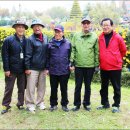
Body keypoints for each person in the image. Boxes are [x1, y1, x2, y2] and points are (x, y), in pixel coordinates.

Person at [97, 18, 127, 113]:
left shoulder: (118, 37)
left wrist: (116, 59)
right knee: (103, 87)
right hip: (104, 67)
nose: (105, 27)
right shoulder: (100, 37)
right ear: (102, 26)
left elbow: (123, 51)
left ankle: (116, 105)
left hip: (115, 67)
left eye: (107, 25)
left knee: (116, 87)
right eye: (104, 25)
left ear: (112, 26)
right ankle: (105, 104)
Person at [70, 16, 99, 111]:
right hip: (78, 65)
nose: (86, 25)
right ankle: (76, 104)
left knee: (88, 86)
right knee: (78, 86)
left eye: (87, 23)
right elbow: (72, 49)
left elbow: (96, 51)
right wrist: (72, 62)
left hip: (90, 66)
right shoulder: (76, 36)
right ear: (82, 25)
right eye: (84, 23)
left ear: (90, 24)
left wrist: (96, 65)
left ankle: (86, 104)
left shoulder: (94, 36)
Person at [1, 20, 28, 114]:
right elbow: (5, 55)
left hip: (22, 70)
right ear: (15, 28)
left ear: (24, 29)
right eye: (18, 27)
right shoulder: (8, 40)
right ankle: (6, 105)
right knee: (9, 88)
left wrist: (27, 68)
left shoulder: (26, 40)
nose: (20, 29)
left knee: (21, 88)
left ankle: (20, 104)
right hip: (11, 70)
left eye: (22, 27)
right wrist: (6, 69)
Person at [25, 19, 48, 113]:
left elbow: (47, 53)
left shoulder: (46, 37)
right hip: (33, 68)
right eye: (35, 26)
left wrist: (47, 67)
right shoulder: (30, 39)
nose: (37, 27)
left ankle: (40, 102)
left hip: (43, 68)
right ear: (33, 28)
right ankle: (30, 104)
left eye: (39, 26)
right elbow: (27, 54)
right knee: (30, 87)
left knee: (42, 87)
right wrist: (27, 67)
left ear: (42, 27)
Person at [46, 25, 71, 112]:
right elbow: (47, 57)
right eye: (56, 32)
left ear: (62, 33)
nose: (57, 34)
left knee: (64, 89)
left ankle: (64, 105)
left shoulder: (68, 43)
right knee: (53, 89)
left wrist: (70, 65)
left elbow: (70, 56)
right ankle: (53, 104)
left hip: (64, 71)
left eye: (59, 32)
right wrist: (47, 68)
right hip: (53, 71)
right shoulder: (50, 44)